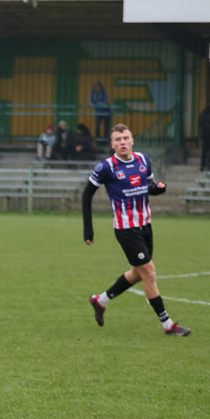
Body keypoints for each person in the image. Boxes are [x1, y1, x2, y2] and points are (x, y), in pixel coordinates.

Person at [83, 123, 190, 337]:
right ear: (112, 144)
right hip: (126, 229)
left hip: (146, 226)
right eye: (118, 139)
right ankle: (168, 324)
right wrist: (88, 230)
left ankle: (100, 300)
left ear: (132, 140)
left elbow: (149, 188)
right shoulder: (106, 167)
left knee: (137, 273)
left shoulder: (143, 160)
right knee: (149, 271)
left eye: (125, 138)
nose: (122, 142)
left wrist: (160, 189)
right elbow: (87, 195)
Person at [198, 100, 210, 173]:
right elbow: (200, 124)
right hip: (206, 136)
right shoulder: (204, 113)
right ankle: (202, 166)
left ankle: (208, 166)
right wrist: (201, 134)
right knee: (204, 151)